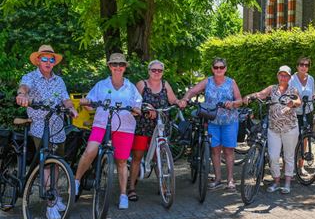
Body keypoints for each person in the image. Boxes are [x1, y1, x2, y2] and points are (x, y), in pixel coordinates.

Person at [16, 45, 78, 219]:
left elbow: (65, 98)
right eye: (44, 59)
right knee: (46, 164)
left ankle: (55, 195)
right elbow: (23, 88)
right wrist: (22, 96)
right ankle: (50, 205)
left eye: (51, 59)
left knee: (57, 164)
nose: (48, 62)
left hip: (57, 127)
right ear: (38, 60)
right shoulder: (31, 77)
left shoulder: (59, 80)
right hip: (39, 126)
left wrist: (71, 108)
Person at [74, 53, 142, 210]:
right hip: (102, 124)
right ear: (109, 67)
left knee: (122, 161)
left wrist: (136, 110)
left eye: (121, 65)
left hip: (124, 127)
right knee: (90, 151)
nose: (118, 68)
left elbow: (137, 106)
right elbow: (90, 104)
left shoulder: (131, 87)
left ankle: (123, 194)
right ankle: (76, 181)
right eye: (114, 65)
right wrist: (85, 102)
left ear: (125, 67)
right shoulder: (101, 85)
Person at [127, 60, 186, 201]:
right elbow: (134, 102)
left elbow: (172, 99)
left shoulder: (165, 85)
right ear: (149, 71)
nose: (157, 73)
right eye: (154, 70)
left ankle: (164, 185)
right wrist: (147, 106)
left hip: (160, 125)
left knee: (159, 156)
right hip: (143, 125)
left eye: (160, 70)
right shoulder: (142, 84)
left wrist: (179, 102)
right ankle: (131, 188)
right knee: (137, 157)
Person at [182, 58, 242, 190]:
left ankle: (230, 179)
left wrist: (233, 103)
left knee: (229, 150)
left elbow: (239, 100)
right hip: (212, 121)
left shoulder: (231, 82)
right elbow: (193, 91)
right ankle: (218, 179)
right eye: (216, 67)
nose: (218, 70)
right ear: (212, 68)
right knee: (215, 150)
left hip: (229, 121)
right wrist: (186, 98)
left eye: (221, 67)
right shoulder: (207, 81)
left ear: (225, 68)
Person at [243, 66, 301, 193]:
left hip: (290, 128)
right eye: (281, 75)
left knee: (288, 156)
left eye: (286, 75)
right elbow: (261, 94)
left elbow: (298, 101)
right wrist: (250, 96)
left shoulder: (293, 89)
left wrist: (291, 104)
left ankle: (287, 183)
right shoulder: (272, 88)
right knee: (273, 156)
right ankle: (276, 181)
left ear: (290, 77)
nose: (283, 77)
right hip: (273, 129)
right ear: (277, 76)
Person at [290, 57, 315, 174]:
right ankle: (290, 166)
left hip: (308, 112)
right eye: (301, 64)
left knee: (305, 138)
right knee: (293, 139)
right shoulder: (291, 79)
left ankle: (301, 166)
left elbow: (312, 95)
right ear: (297, 66)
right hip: (295, 113)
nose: (304, 67)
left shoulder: (311, 79)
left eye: (306, 65)